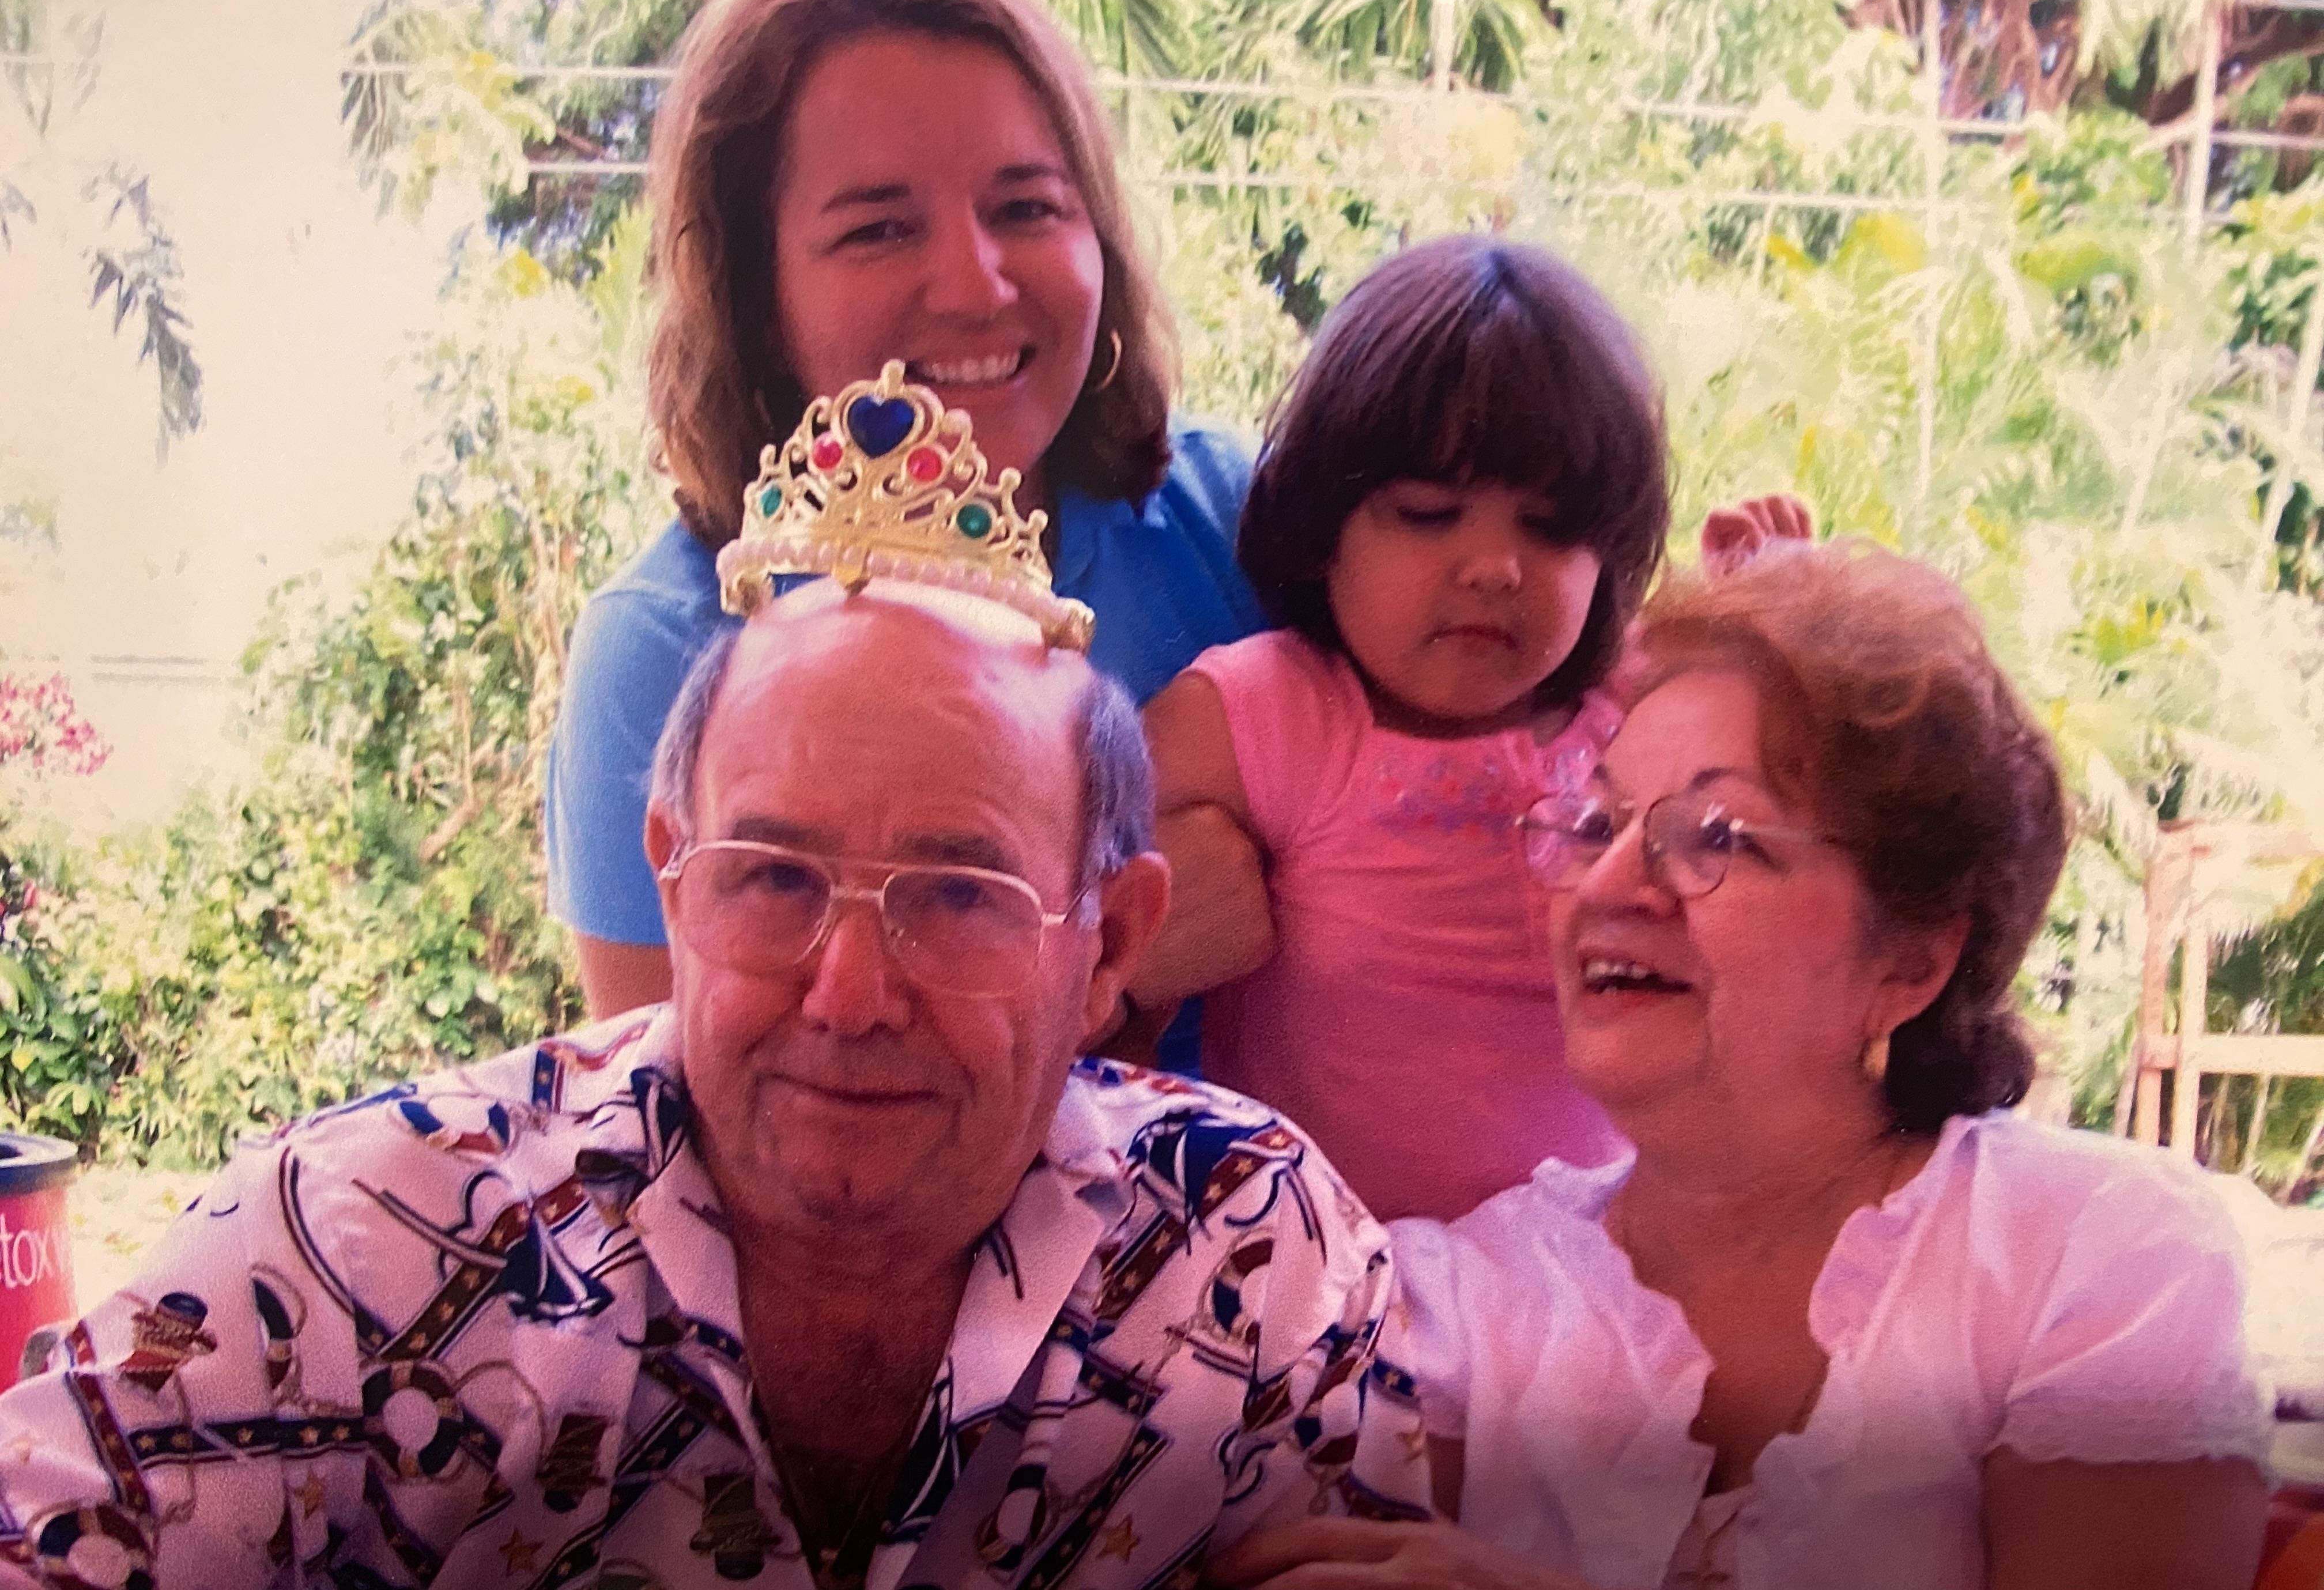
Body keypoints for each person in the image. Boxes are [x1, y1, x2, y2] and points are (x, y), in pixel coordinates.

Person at [0, 579, 1424, 1589]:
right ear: (672, 882)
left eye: (960, 895)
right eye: (772, 879)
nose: (849, 995)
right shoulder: (348, 1248)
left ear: (1108, 938)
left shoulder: (1254, 1252)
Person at [1215, 539, 2272, 1590]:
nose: (1611, 883)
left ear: (1911, 960)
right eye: (1597, 821)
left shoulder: (2092, 1256)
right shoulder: (1464, 1304)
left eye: (1717, 835)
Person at [546, 0, 1264, 1021]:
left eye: (1028, 208)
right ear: (759, 298)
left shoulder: (1244, 529)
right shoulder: (670, 649)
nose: (977, 285)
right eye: (879, 228)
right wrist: (1105, 967)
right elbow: (680, 1149)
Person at [1128, 236, 1670, 1221]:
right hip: (1329, 1302)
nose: (1494, 567)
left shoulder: (1643, 718)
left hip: (1600, 1291)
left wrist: (1779, 600)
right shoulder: (1270, 715)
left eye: (1550, 529)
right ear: (1319, 525)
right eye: (1429, 512)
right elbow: (1058, 890)